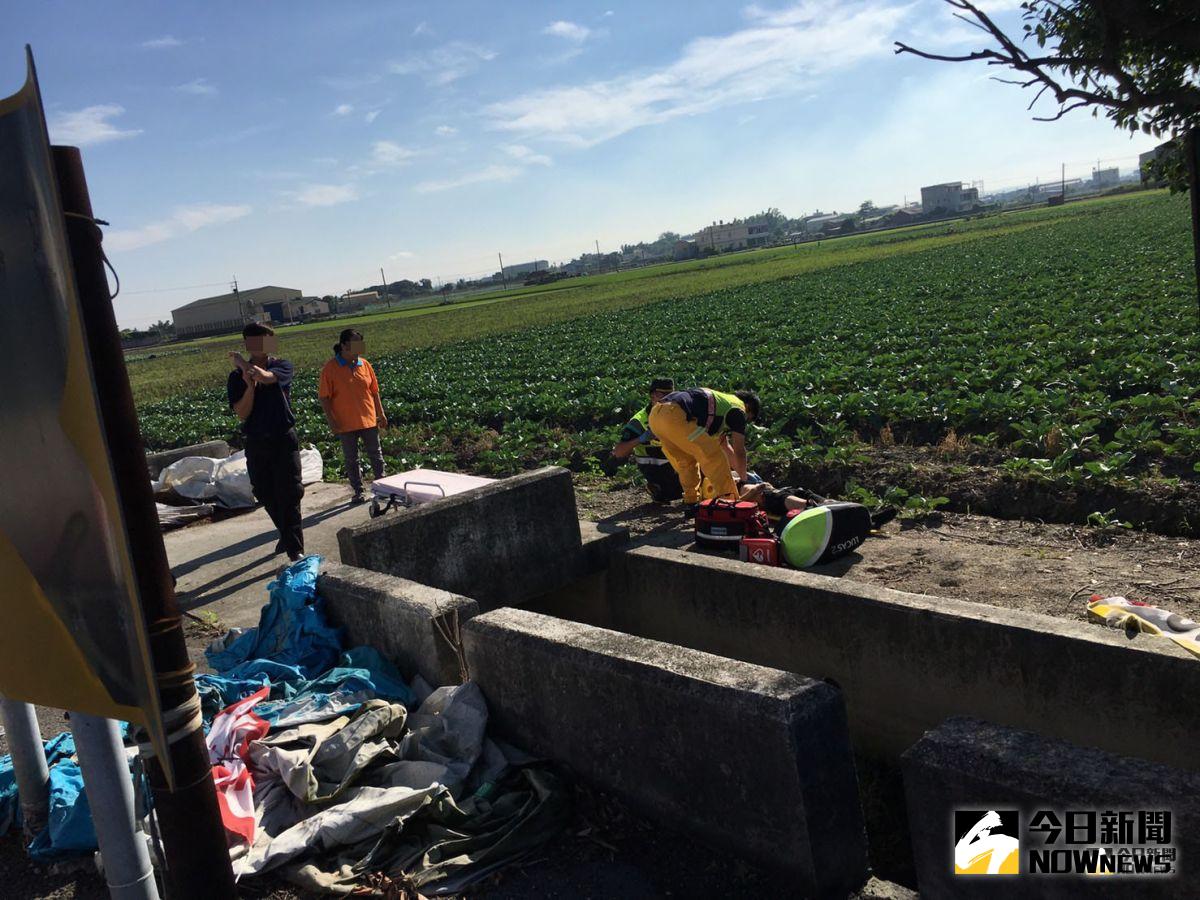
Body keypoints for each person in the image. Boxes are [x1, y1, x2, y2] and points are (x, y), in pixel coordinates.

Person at [227, 323, 305, 560]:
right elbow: (242, 412)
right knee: (264, 491)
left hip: (283, 437)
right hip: (256, 441)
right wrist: (249, 387)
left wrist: (244, 364)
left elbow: (267, 377)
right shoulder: (235, 378)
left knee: (290, 492)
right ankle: (287, 535)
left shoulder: (281, 365)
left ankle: (295, 552)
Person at [648, 387, 760, 516]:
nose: (745, 422)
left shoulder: (723, 405)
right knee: (714, 457)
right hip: (674, 415)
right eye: (749, 419)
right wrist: (745, 481)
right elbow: (739, 451)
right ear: (748, 407)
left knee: (686, 461)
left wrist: (741, 474)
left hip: (656, 416)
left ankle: (691, 502)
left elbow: (727, 448)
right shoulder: (739, 409)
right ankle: (729, 501)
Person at [319, 328, 388, 504]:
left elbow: (374, 391)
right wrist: (332, 421)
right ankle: (358, 491)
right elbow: (324, 398)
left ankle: (382, 487)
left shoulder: (365, 364)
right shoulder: (330, 368)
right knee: (352, 459)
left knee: (376, 455)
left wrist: (380, 413)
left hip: (368, 419)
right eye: (355, 343)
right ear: (344, 345)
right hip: (345, 422)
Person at [603, 377, 682, 501]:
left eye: (670, 395)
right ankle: (656, 488)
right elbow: (619, 452)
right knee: (668, 495)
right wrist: (642, 438)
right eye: (661, 395)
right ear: (652, 396)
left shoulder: (679, 414)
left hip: (679, 464)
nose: (667, 399)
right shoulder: (639, 421)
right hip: (655, 469)